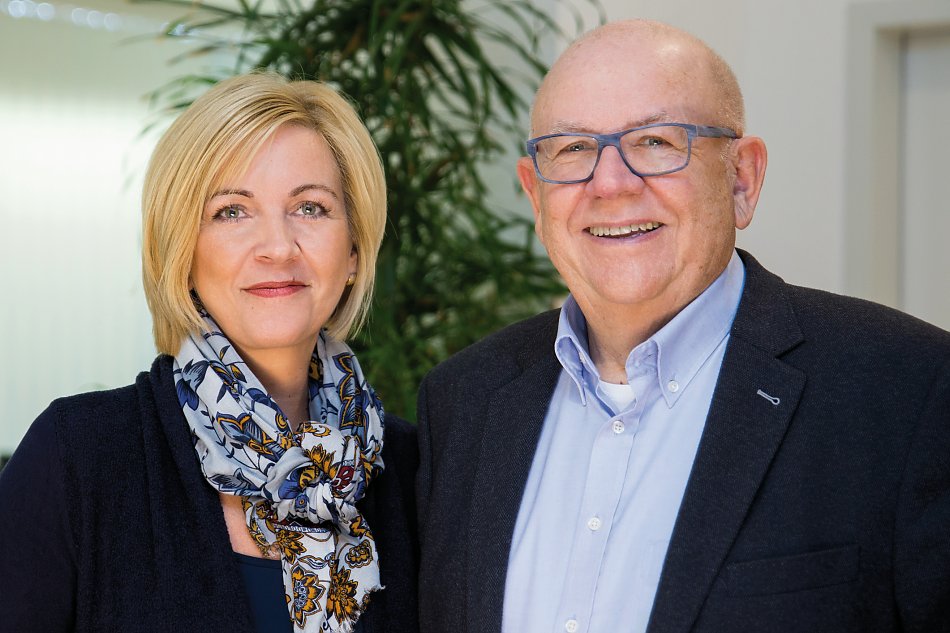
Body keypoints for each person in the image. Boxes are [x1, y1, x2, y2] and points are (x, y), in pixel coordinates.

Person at [416, 19, 950, 633]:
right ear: (536, 197)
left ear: (742, 178)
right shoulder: (462, 403)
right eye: (573, 149)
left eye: (655, 141)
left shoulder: (908, 393)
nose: (610, 184)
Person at [0, 73, 418, 633]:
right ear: (182, 252)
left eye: (311, 208)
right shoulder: (78, 456)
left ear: (353, 252)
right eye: (231, 212)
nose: (277, 248)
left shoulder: (414, 471)